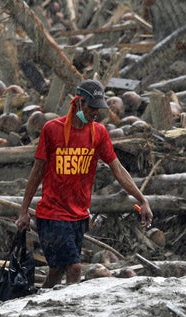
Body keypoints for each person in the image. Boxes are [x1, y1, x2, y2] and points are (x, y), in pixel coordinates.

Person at [15, 79, 153, 288]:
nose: (95, 112)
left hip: (79, 215)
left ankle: (40, 301)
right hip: (52, 215)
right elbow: (36, 172)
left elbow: (117, 168)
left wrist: (142, 199)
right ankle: (70, 310)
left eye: (98, 108)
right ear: (79, 102)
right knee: (75, 268)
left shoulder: (98, 133)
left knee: (57, 271)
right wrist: (24, 211)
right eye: (91, 107)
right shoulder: (52, 129)